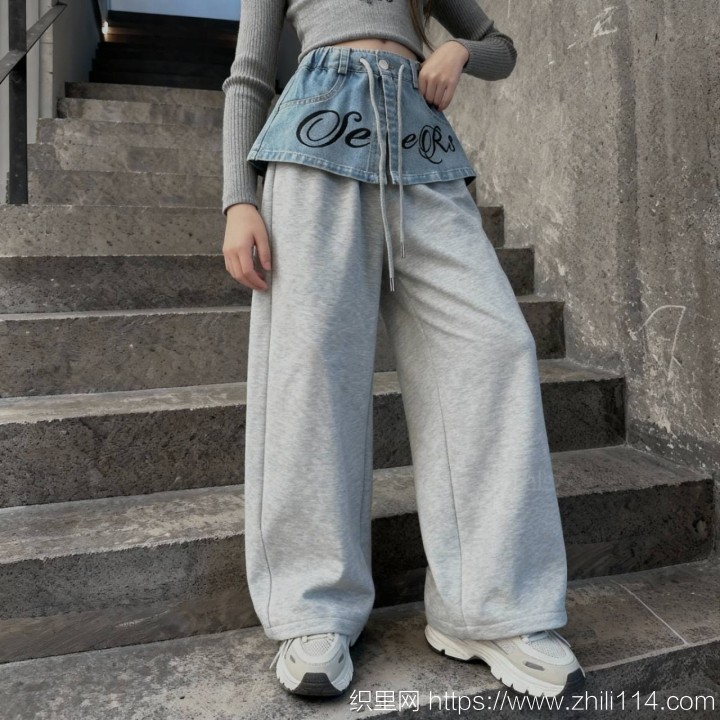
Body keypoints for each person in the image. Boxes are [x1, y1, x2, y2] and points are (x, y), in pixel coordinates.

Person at [221, 0, 586, 701]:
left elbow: (500, 46)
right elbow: (249, 75)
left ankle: (490, 607)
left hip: (423, 154)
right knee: (310, 375)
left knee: (496, 348)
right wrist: (239, 199)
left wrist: (458, 52)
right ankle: (313, 608)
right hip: (312, 143)